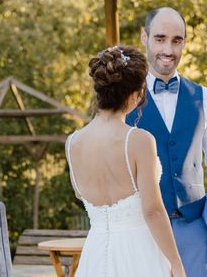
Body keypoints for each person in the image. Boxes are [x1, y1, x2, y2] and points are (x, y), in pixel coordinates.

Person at [126, 7, 207, 277]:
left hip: (195, 231)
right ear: (144, 38)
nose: (169, 49)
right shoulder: (123, 100)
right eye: (160, 38)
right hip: (141, 231)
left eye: (177, 40)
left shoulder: (204, 98)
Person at [66, 45, 186, 277]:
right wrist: (176, 263)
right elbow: (152, 210)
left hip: (95, 254)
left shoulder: (73, 143)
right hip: (139, 253)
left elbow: (81, 195)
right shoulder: (139, 141)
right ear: (134, 94)